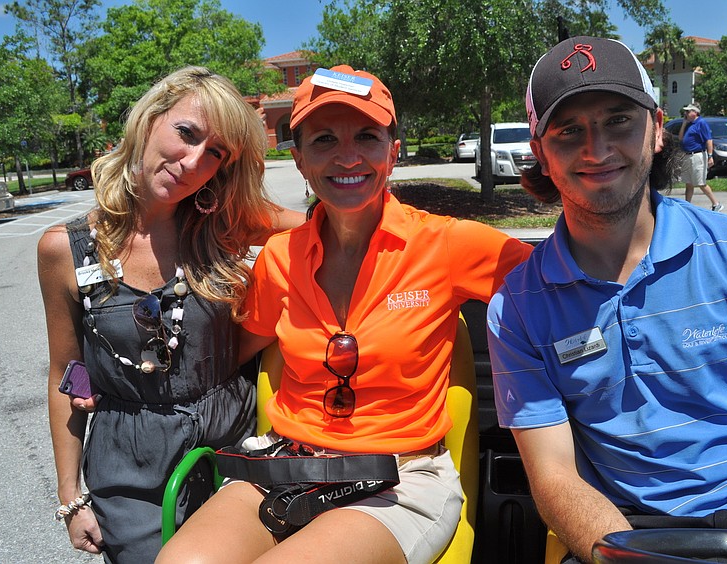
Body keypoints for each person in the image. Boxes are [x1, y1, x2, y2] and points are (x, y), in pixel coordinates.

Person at [156, 65, 533, 564]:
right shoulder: (279, 257)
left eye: (368, 136)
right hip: (285, 463)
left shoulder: (447, 244)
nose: (348, 156)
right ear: (300, 160)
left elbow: (560, 290)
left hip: (401, 479)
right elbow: (228, 356)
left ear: (392, 153)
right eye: (325, 139)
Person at [487, 36, 727, 563]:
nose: (596, 150)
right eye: (568, 131)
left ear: (655, 129)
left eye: (618, 121)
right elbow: (555, 474)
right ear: (539, 152)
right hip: (632, 536)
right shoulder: (516, 308)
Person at [38, 66, 304, 563]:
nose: (193, 162)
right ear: (151, 117)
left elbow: (324, 226)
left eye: (216, 153)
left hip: (237, 455)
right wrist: (71, 497)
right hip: (130, 469)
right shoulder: (65, 249)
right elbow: (64, 374)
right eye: (187, 134)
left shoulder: (224, 224)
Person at [679, 103, 723, 211]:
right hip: (687, 156)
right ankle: (687, 205)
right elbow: (680, 138)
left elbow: (709, 140)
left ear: (695, 113)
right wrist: (684, 124)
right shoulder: (689, 124)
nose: (686, 114)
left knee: (701, 183)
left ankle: (716, 204)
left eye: (688, 112)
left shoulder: (701, 123)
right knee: (689, 183)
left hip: (697, 156)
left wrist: (710, 156)